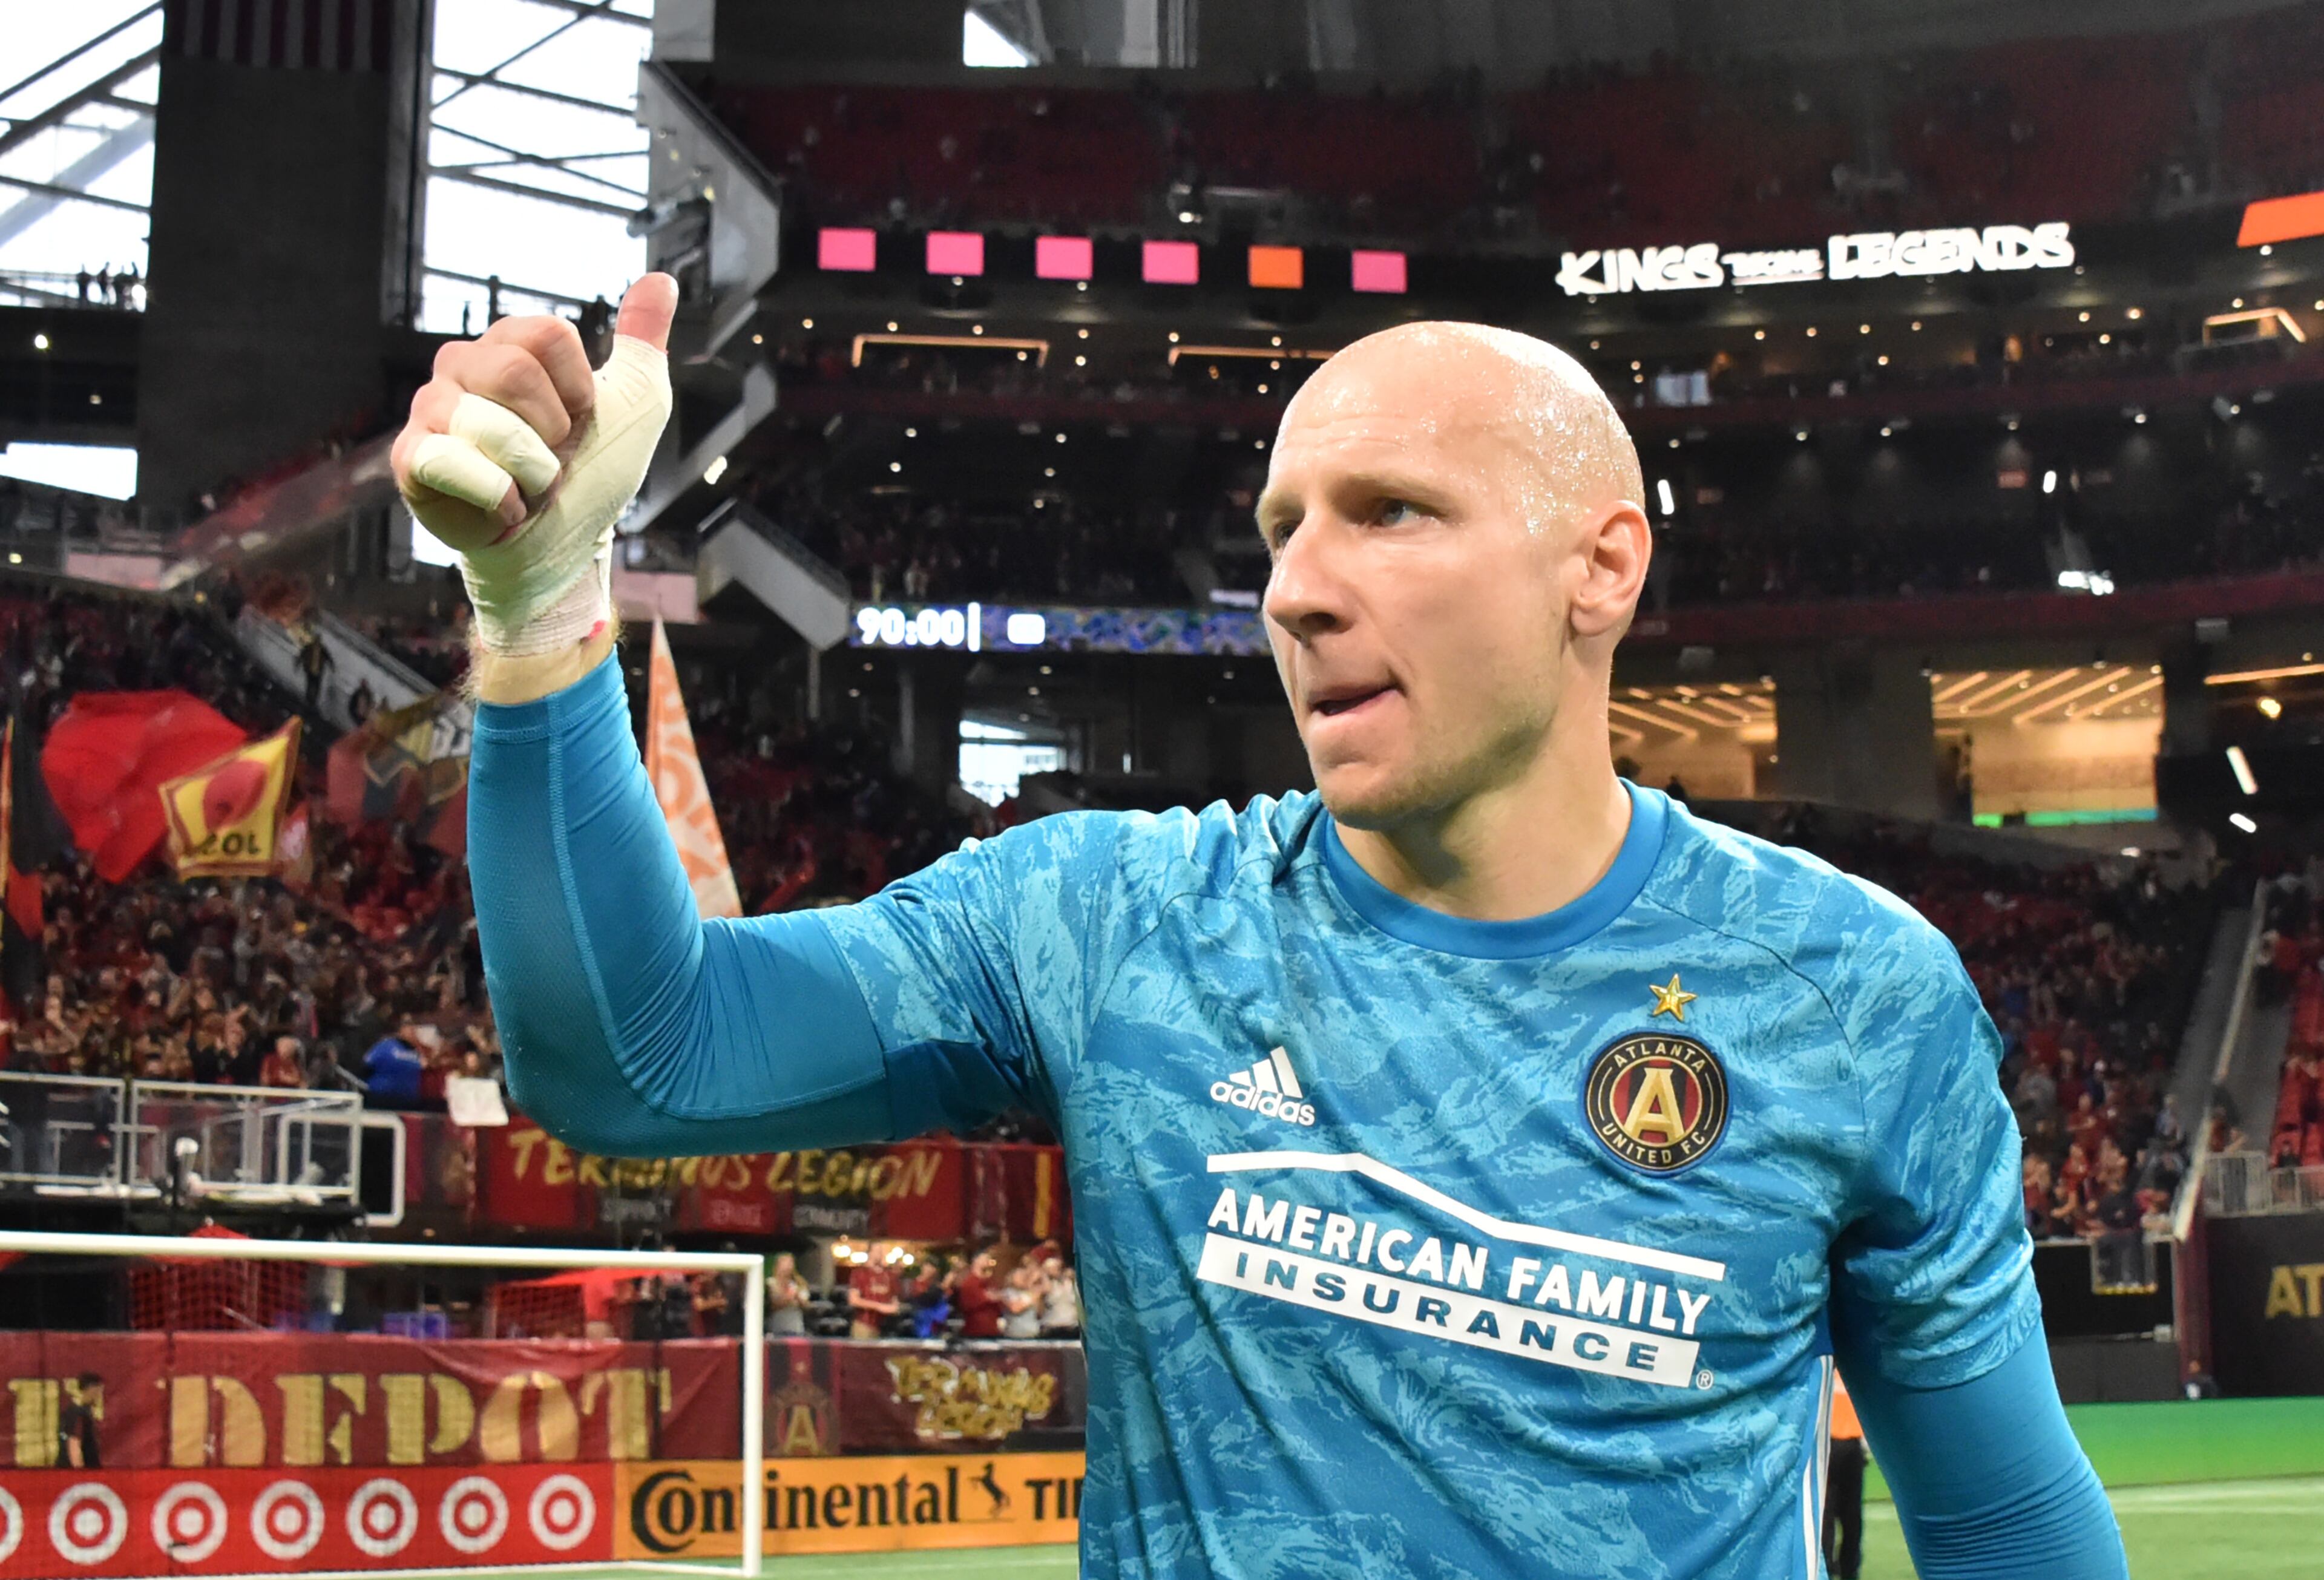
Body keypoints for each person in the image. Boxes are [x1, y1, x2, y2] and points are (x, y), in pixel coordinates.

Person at [404, 277, 2126, 1579]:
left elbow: (2003, 1523)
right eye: (1282, 531)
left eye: (1390, 512)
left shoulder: (1849, 995)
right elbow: (637, 1056)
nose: (1295, 588)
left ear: (1600, 569)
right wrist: (540, 603)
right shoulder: (1105, 925)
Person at [1823, 1371, 1865, 1580]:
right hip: (1830, 1446)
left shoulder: (1851, 1377)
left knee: (1849, 1516)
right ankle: (1831, 1568)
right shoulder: (1830, 1375)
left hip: (1848, 1447)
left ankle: (1847, 1569)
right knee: (1829, 1514)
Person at [846, 1254, 901, 1340]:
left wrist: (894, 1308)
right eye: (877, 1252)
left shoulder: (890, 1277)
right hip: (864, 1324)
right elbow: (853, 1300)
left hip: (884, 1327)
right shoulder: (859, 1274)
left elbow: (895, 1303)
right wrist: (879, 1307)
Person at [766, 1251, 810, 1337]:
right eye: (784, 1264)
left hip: (795, 1328)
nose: (787, 1267)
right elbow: (771, 1306)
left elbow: (806, 1306)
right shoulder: (771, 1283)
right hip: (776, 1328)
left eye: (790, 1263)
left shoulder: (799, 1284)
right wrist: (788, 1297)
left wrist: (798, 1297)